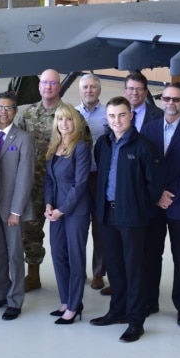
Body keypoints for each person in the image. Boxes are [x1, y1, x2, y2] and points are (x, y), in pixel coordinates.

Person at [90, 97, 162, 343]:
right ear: (107, 119)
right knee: (115, 266)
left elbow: (154, 186)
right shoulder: (103, 144)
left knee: (134, 269)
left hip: (131, 217)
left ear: (130, 116)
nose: (117, 121)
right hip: (107, 215)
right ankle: (116, 311)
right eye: (111, 116)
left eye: (121, 115)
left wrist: (135, 204)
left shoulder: (144, 146)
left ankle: (135, 321)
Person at [17, 69, 91, 292]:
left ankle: (71, 280)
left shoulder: (69, 115)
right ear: (39, 86)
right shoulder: (28, 114)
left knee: (68, 240)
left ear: (60, 86)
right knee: (31, 232)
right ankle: (33, 274)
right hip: (34, 186)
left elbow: (84, 147)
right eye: (45, 83)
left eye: (53, 83)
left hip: (65, 188)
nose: (48, 87)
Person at [141, 85, 180, 328]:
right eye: (166, 98)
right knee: (151, 255)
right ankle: (150, 301)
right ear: (161, 100)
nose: (170, 102)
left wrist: (170, 194)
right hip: (154, 205)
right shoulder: (149, 129)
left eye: (176, 99)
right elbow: (144, 167)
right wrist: (157, 194)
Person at [0, 92, 35, 320]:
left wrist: (16, 211)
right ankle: (1, 294)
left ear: (15, 111)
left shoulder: (24, 138)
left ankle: (15, 300)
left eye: (8, 108)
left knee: (14, 256)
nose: (3, 112)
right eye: (0, 107)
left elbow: (25, 177)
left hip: (12, 209)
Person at [43, 103, 92, 325]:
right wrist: (49, 204)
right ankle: (65, 300)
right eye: (61, 119)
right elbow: (49, 180)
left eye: (69, 119)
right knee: (58, 254)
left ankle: (74, 306)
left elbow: (81, 183)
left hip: (75, 212)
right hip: (56, 211)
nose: (64, 123)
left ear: (76, 122)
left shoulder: (80, 147)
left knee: (75, 257)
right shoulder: (54, 147)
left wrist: (62, 210)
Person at [77, 73, 110, 292]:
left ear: (99, 90)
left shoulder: (108, 114)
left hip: (100, 178)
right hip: (78, 179)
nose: (89, 90)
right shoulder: (72, 114)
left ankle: (98, 273)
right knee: (78, 227)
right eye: (85, 87)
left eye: (93, 87)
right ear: (80, 91)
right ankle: (77, 272)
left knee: (100, 227)